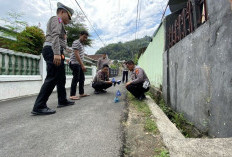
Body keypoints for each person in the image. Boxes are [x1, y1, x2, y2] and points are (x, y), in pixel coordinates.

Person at [32, 2, 75, 115]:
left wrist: (64, 51)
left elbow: (60, 41)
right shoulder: (57, 19)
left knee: (61, 77)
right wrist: (56, 53)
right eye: (68, 16)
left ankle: (62, 100)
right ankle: (39, 106)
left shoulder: (60, 23)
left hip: (55, 51)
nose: (69, 20)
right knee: (52, 77)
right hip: (52, 50)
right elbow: (55, 36)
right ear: (62, 12)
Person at [69, 31, 90, 100]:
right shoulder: (76, 42)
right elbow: (76, 54)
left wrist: (81, 65)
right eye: (84, 37)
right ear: (80, 35)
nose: (85, 39)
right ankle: (72, 95)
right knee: (76, 78)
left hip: (78, 64)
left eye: (86, 38)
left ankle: (81, 93)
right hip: (75, 63)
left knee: (82, 78)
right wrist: (82, 65)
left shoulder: (81, 44)